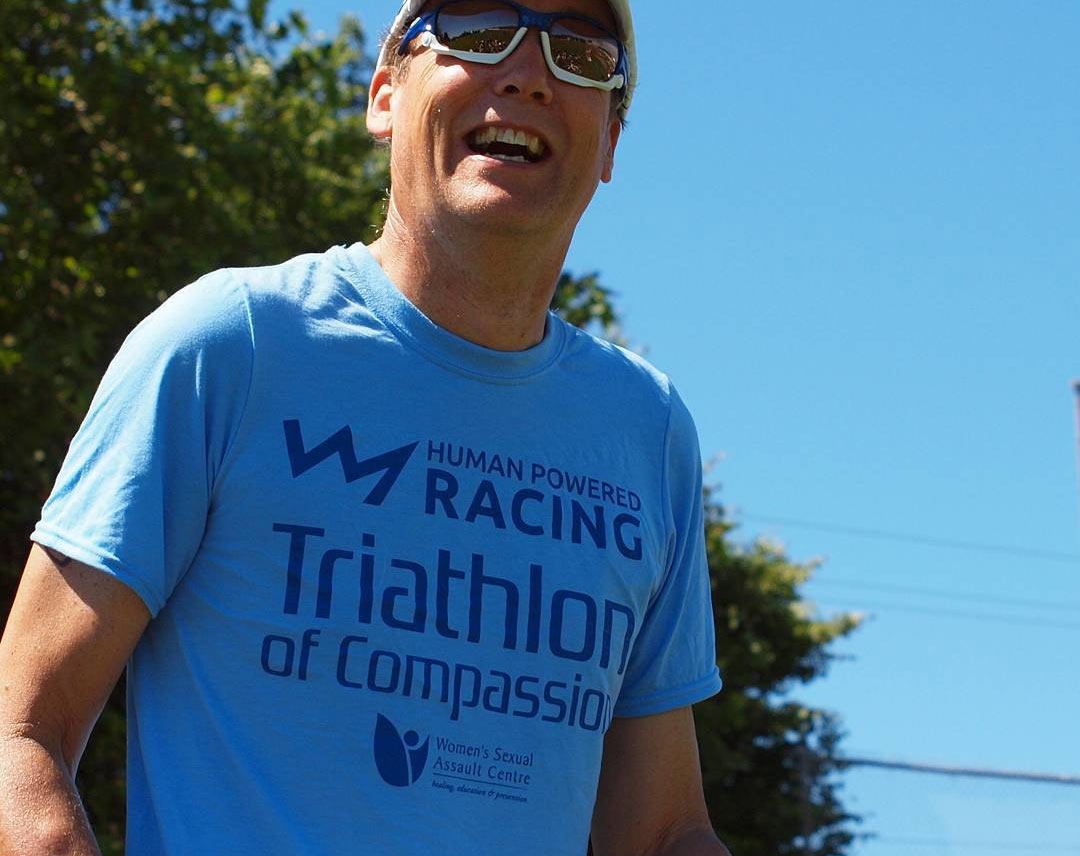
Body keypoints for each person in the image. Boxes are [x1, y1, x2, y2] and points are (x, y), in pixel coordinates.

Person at [0, 0, 731, 853]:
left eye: (577, 50)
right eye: (480, 31)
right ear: (385, 96)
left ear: (608, 143)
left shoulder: (647, 430)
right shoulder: (230, 346)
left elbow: (664, 831)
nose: (529, 73)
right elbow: (22, 732)